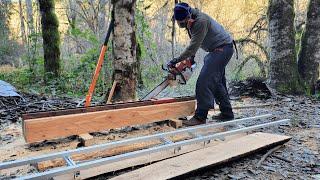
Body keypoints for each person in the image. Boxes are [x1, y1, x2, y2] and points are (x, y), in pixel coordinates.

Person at [169, 2, 236, 126]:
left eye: (183, 22)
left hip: (223, 49)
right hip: (217, 50)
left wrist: (177, 60)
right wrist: (190, 59)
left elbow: (192, 47)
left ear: (189, 15)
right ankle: (227, 113)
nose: (181, 25)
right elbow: (196, 42)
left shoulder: (200, 21)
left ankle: (200, 117)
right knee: (217, 82)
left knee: (204, 81)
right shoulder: (191, 22)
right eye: (179, 23)